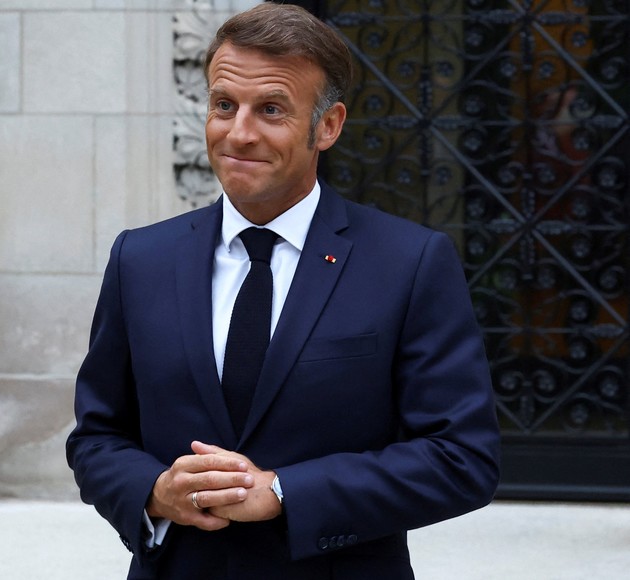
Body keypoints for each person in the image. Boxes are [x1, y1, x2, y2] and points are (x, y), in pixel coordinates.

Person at [66, 3, 500, 578]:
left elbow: (461, 458)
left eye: (271, 109)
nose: (238, 133)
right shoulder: (140, 259)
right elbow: (98, 437)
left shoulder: (410, 262)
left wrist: (285, 492)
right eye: (224, 105)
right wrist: (155, 491)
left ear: (328, 126)